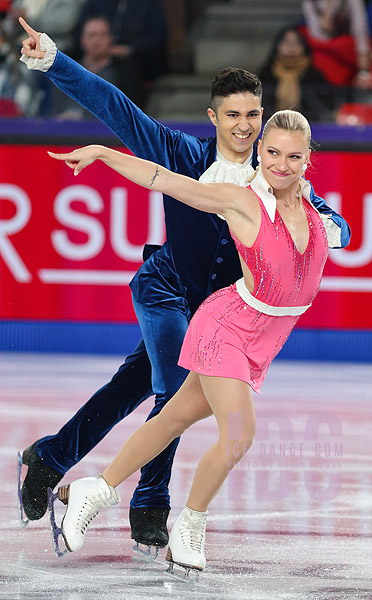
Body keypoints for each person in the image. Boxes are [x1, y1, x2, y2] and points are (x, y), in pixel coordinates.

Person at [18, 17, 351, 552]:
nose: (244, 126)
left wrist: (332, 223)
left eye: (252, 115)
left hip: (220, 310)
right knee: (172, 385)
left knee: (134, 384)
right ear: (213, 116)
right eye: (233, 115)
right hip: (166, 288)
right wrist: (54, 61)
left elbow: (325, 217)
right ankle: (150, 504)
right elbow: (116, 107)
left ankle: (50, 457)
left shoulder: (279, 177)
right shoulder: (184, 155)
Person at [47, 109, 329, 573]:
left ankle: (93, 490)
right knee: (239, 436)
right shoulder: (240, 201)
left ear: (307, 158)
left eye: (293, 156)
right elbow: (164, 180)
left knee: (171, 418)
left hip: (262, 341)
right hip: (226, 329)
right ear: (259, 151)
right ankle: (190, 526)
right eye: (272, 152)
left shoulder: (316, 211)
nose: (281, 164)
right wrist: (102, 152)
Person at [259, 26, 336, 121]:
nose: (291, 47)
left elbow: (322, 110)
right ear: (277, 46)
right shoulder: (266, 74)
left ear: (304, 46)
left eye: (297, 42)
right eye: (286, 42)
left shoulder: (314, 76)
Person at [301, 0, 372, 88]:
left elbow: (360, 32)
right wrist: (327, 15)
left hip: (347, 51)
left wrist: (363, 71)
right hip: (324, 50)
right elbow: (318, 36)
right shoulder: (310, 2)